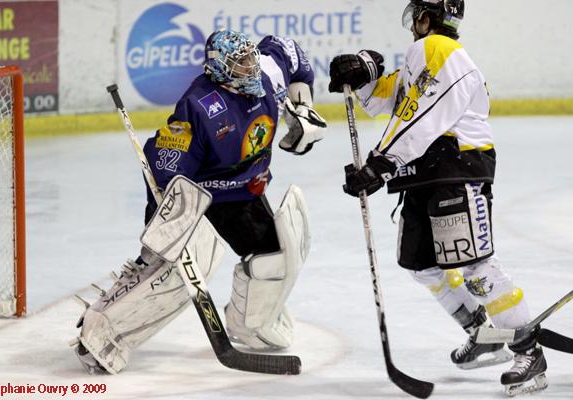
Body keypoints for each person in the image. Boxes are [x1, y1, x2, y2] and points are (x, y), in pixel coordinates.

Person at [72, 29, 327, 374]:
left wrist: (303, 103)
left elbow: (290, 51)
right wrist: (166, 222)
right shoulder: (199, 107)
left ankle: (248, 325)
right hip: (200, 196)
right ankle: (102, 331)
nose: (251, 68)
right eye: (240, 65)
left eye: (251, 58)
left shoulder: (268, 72)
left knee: (278, 256)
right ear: (219, 69)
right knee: (174, 275)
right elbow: (165, 165)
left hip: (244, 193)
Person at [328, 0, 547, 396]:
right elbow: (389, 99)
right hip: (424, 174)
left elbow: (420, 116)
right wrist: (362, 73)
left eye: (417, 15)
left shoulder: (439, 51)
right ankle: (483, 331)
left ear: (427, 17)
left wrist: (379, 165)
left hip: (456, 169)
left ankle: (529, 353)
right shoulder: (427, 56)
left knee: (476, 265)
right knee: (419, 262)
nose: (413, 22)